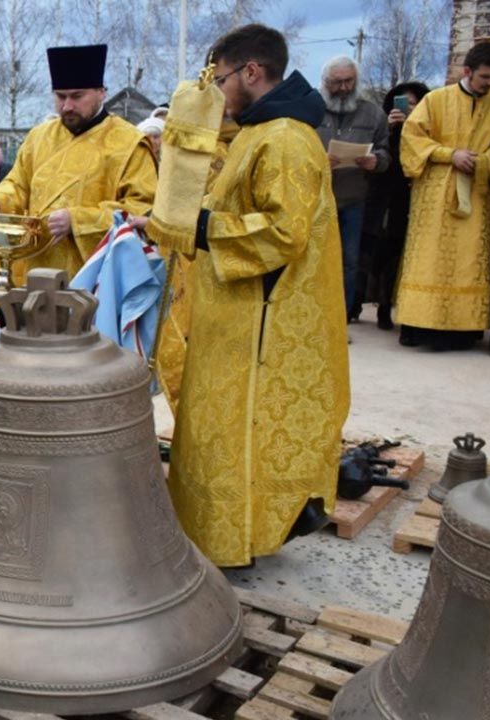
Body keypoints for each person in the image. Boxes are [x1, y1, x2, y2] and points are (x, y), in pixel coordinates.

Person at [140, 24, 349, 568]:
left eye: (221, 77)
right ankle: (218, 536)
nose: (217, 91)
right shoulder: (261, 131)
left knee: (237, 438)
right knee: (214, 434)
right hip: (230, 315)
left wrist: (200, 224)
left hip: (257, 324)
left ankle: (234, 542)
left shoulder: (284, 138)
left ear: (251, 72)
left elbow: (284, 233)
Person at [0, 44, 157, 284]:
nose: (67, 106)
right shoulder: (39, 137)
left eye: (77, 96)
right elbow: (18, 184)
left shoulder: (129, 143)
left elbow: (142, 209)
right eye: (60, 96)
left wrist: (78, 220)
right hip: (35, 271)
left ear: (101, 92)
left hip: (97, 279)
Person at [395, 41, 490, 351]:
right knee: (429, 258)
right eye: (485, 77)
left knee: (467, 258)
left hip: (476, 192)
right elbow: (412, 138)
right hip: (436, 192)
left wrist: (485, 160)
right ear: (467, 71)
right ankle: (418, 326)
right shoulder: (436, 100)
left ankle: (463, 330)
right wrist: (449, 154)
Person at [315, 56, 390, 322]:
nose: (344, 88)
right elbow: (295, 148)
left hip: (353, 198)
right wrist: (317, 159)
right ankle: (313, 314)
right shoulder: (311, 109)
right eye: (338, 82)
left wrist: (376, 161)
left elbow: (386, 150)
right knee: (314, 259)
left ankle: (341, 317)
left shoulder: (372, 113)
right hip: (315, 199)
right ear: (326, 82)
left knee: (349, 261)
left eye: (349, 81)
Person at [365, 82, 430, 331]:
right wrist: (391, 130)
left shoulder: (425, 131)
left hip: (408, 196)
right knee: (372, 250)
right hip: (379, 194)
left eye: (412, 103)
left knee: (395, 252)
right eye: (401, 103)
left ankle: (385, 306)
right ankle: (360, 300)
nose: (406, 108)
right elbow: (380, 156)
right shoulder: (385, 127)